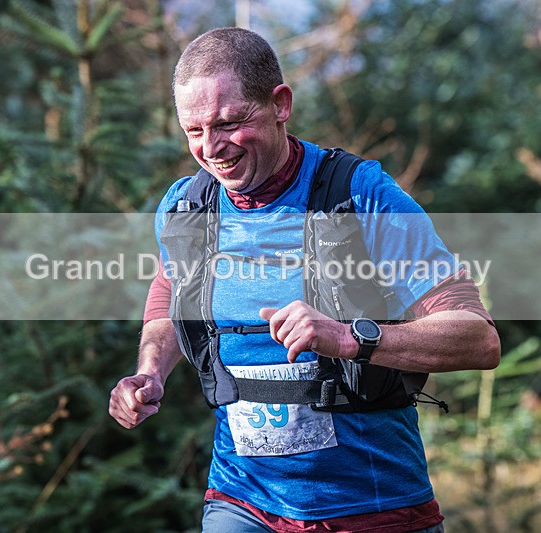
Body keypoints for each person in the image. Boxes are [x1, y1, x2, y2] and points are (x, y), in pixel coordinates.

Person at [109, 27, 500, 533]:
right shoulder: (187, 208)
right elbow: (170, 292)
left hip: (373, 507)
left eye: (229, 123)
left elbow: (479, 339)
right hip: (242, 500)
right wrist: (150, 371)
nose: (211, 147)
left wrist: (348, 337)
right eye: (194, 130)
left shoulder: (361, 196)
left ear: (281, 104)